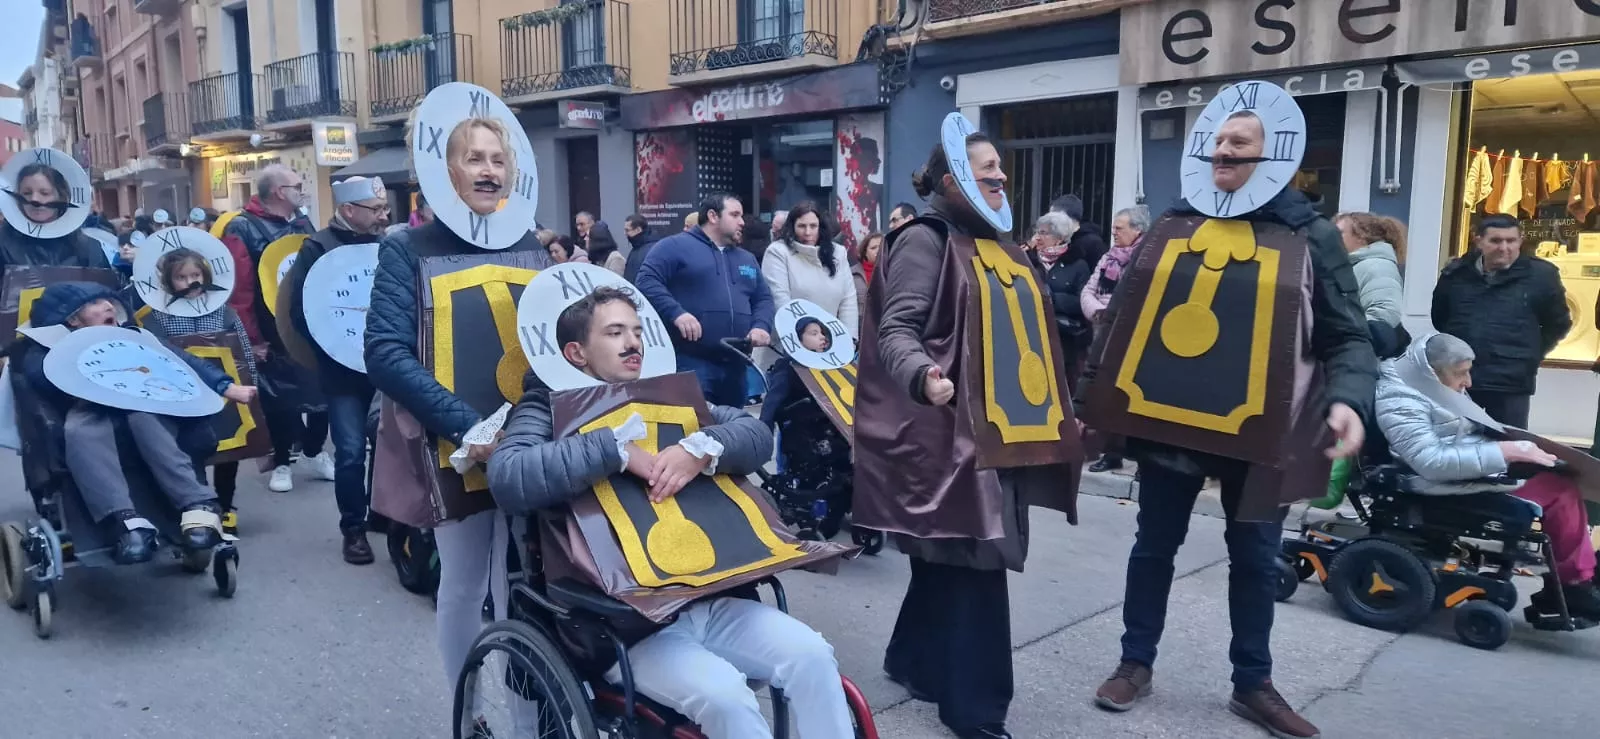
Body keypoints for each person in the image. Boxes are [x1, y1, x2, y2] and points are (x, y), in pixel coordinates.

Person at [1081, 94, 1375, 739]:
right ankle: (1135, 662)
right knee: (1153, 547)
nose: (1223, 149)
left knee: (1256, 559)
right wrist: (1090, 402)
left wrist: (1349, 401)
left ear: (1273, 156)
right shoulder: (1174, 223)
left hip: (1262, 435)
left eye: (1239, 142)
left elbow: (1348, 335)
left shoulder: (1311, 234)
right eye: (1218, 139)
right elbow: (1123, 319)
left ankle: (1253, 683)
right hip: (1171, 426)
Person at [488, 285, 854, 739]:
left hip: (710, 596)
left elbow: (756, 434)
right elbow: (509, 476)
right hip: (622, 623)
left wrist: (701, 448)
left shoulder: (669, 393)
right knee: (725, 696)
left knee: (813, 655)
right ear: (576, 352)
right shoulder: (546, 406)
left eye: (638, 331)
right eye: (615, 333)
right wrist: (615, 451)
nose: (633, 343)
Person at [856, 125, 1081, 739]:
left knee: (945, 557)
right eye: (987, 169)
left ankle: (912, 660)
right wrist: (922, 375)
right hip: (945, 436)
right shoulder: (923, 240)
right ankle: (976, 710)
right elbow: (896, 329)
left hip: (993, 432)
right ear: (954, 180)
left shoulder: (995, 244)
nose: (1001, 176)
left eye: (1001, 168)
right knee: (977, 558)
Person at [366, 89, 553, 694]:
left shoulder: (530, 245)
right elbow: (386, 352)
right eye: (474, 158)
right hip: (454, 445)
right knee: (467, 581)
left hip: (530, 437)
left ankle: (531, 715)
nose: (489, 170)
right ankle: (466, 711)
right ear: (445, 171)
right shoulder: (406, 248)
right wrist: (468, 427)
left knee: (530, 581)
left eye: (498, 159)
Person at [15, 282, 255, 563]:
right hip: (90, 405)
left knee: (146, 420)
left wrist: (226, 386)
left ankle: (197, 504)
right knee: (80, 431)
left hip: (144, 400)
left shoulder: (135, 336)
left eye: (108, 301)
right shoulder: (50, 347)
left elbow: (183, 362)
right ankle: (124, 521)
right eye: (95, 304)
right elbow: (38, 374)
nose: (108, 306)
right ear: (72, 319)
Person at [1378, 332, 1600, 619]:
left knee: (1564, 480)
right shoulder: (1400, 398)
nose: (1468, 382)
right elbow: (1430, 461)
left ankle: (1577, 578)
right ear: (1432, 370)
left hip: (1471, 470)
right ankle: (1574, 585)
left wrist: (1517, 449)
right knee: (1560, 493)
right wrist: (1505, 451)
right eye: (1461, 373)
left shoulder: (1431, 384)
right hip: (1438, 486)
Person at [281, 176, 388, 565]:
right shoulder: (317, 248)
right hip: (341, 372)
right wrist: (337, 346)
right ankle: (353, 529)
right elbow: (301, 311)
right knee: (351, 452)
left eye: (384, 208)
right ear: (348, 210)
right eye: (375, 209)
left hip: (387, 366)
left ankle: (382, 511)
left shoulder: (387, 244)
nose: (384, 216)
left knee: (389, 445)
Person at [219, 163, 325, 494]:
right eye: (297, 186)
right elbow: (240, 291)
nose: (302, 192)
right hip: (269, 329)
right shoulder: (242, 228)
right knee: (280, 399)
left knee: (322, 392)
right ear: (280, 192)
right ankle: (281, 462)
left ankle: (314, 451)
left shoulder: (302, 222)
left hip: (305, 323)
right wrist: (251, 339)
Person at [144, 247, 259, 537]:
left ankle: (226, 505)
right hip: (182, 394)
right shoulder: (158, 318)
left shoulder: (224, 311)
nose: (190, 282)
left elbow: (243, 350)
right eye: (181, 277)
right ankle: (201, 505)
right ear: (169, 281)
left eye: (195, 275)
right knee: (190, 450)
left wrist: (251, 380)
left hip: (225, 393)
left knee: (228, 450)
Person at [635, 193, 775, 407]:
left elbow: (763, 298)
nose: (742, 222)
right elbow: (646, 280)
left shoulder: (746, 258)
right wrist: (677, 313)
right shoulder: (674, 246)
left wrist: (761, 326)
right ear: (712, 216)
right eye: (735, 215)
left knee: (732, 425)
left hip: (736, 364)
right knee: (695, 424)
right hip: (691, 361)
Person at [1431, 214, 1569, 429]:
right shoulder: (1456, 274)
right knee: (1456, 439)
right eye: (1495, 241)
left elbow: (1558, 323)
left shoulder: (1541, 276)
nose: (1504, 248)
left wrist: (1531, 353)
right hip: (1462, 378)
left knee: (1508, 442)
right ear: (1479, 241)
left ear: (1520, 241)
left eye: (1511, 240)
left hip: (1511, 382)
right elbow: (1440, 318)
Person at [1081, 205, 1148, 472]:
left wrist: (1114, 316)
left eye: (1119, 228)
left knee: (1135, 399)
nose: (1114, 233)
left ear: (1137, 230)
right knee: (1107, 395)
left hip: (1133, 338)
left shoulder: (1148, 259)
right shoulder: (1108, 257)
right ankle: (1111, 452)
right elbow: (1088, 290)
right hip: (1103, 332)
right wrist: (1098, 312)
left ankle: (1142, 460)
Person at [761, 200, 860, 337]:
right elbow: (780, 302)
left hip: (831, 343)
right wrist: (806, 338)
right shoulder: (777, 252)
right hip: (789, 341)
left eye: (813, 226)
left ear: (821, 227)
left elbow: (848, 302)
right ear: (792, 227)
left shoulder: (838, 253)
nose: (808, 232)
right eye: (802, 226)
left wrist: (848, 340)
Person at [0, 159, 112, 272]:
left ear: (61, 197)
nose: (34, 199)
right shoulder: (3, 244)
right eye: (27, 193)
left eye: (44, 193)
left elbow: (103, 282)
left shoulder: (88, 248)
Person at [1029, 211, 1092, 394]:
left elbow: (1082, 302)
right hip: (1031, 331)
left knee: (1059, 386)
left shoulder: (1077, 265)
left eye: (1044, 233)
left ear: (1060, 238)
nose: (1037, 237)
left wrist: (1053, 299)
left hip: (1063, 338)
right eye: (1037, 232)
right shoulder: (1027, 259)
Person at [1335, 211, 1406, 327]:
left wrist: (1344, 331)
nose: (1332, 237)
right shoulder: (1352, 266)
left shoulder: (1378, 267)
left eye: (1339, 233)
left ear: (1361, 237)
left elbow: (1385, 314)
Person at [1049, 193, 1108, 267]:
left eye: (1053, 218)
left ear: (1066, 217)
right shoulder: (1061, 239)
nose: (1050, 222)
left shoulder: (1093, 243)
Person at [621, 213, 660, 283]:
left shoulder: (651, 249)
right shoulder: (636, 247)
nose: (625, 233)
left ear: (638, 230)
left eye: (627, 230)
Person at [852, 232, 882, 319]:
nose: (878, 250)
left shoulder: (894, 270)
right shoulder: (852, 274)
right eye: (873, 248)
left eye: (881, 247)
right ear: (865, 252)